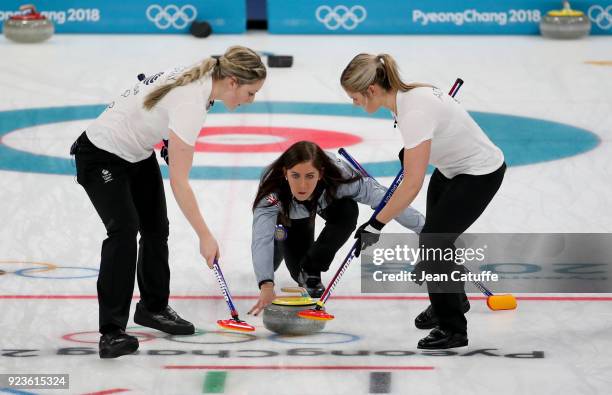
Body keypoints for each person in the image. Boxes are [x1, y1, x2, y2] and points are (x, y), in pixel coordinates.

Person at [70, 46, 267, 358]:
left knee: (155, 227)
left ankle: (153, 307)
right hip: (100, 156)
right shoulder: (194, 99)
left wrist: (165, 141)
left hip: (136, 151)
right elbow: (179, 182)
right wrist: (205, 235)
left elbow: (154, 107)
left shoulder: (203, 79)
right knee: (124, 231)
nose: (250, 100)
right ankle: (111, 332)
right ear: (232, 81)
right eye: (250, 92)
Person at [341, 53, 505, 349]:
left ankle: (453, 329)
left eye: (355, 98)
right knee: (438, 238)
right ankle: (454, 298)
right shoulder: (407, 97)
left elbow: (413, 183)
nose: (354, 104)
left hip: (479, 174)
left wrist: (375, 224)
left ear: (371, 91)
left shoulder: (412, 111)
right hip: (451, 170)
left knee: (433, 241)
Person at [247, 141, 425, 316]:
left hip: (328, 201)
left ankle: (312, 268)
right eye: (295, 176)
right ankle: (281, 246)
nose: (302, 185)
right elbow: (261, 237)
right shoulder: (272, 188)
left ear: (321, 173)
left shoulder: (342, 178)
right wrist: (266, 284)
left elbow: (390, 201)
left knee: (347, 211)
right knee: (281, 260)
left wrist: (426, 229)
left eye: (310, 176)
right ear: (285, 173)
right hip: (290, 215)